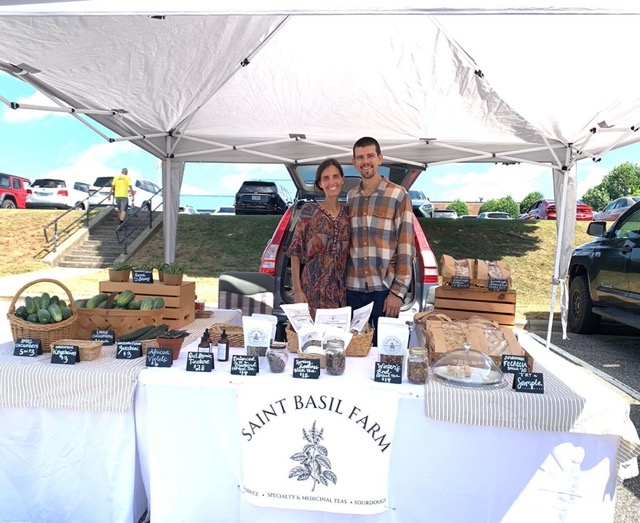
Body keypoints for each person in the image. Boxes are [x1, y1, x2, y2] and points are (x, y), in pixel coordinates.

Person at [346, 136, 415, 344]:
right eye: (360, 157)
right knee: (355, 350)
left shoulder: (398, 195)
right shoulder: (351, 197)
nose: (365, 161)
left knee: (385, 352)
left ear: (380, 158)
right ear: (354, 162)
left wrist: (398, 292)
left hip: (385, 291)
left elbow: (406, 247)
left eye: (370, 156)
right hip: (353, 289)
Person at [286, 159, 350, 320]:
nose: (331, 182)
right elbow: (295, 252)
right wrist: (298, 291)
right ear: (320, 183)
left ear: (342, 179)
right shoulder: (309, 211)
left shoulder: (349, 214)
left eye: (335, 176)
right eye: (326, 178)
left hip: (340, 292)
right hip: (311, 290)